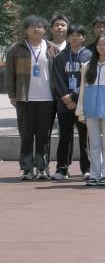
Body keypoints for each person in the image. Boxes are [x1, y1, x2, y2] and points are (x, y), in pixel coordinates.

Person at [6, 16, 56, 180]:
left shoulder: (52, 48)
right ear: (26, 30)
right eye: (32, 26)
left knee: (44, 135)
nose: (36, 29)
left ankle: (42, 168)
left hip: (47, 99)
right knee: (26, 134)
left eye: (40, 26)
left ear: (45, 30)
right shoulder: (16, 48)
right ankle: (27, 169)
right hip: (24, 98)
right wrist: (12, 94)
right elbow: (10, 74)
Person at [77, 34, 105, 186]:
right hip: (90, 109)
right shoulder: (87, 66)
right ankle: (95, 174)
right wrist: (81, 111)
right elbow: (83, 89)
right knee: (94, 144)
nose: (102, 47)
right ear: (95, 46)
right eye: (99, 44)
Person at [49, 24, 91, 181]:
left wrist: (75, 96)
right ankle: (62, 168)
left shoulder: (90, 56)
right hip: (64, 104)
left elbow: (89, 79)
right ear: (68, 37)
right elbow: (57, 79)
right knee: (64, 137)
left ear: (84, 38)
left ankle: (87, 168)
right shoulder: (60, 57)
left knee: (85, 137)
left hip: (83, 103)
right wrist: (66, 97)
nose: (75, 38)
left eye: (78, 35)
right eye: (72, 35)